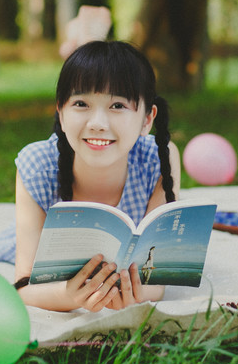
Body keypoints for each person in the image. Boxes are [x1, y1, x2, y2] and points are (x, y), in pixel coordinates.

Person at [13, 39, 181, 312]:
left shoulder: (158, 160)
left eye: (118, 106)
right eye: (81, 103)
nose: (98, 124)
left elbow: (156, 280)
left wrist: (132, 295)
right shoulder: (37, 167)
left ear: (147, 120)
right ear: (61, 112)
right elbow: (24, 285)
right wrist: (67, 296)